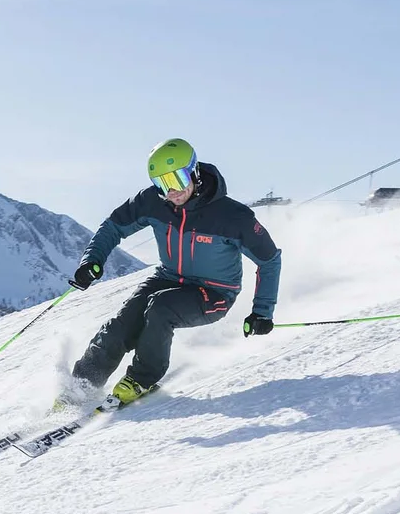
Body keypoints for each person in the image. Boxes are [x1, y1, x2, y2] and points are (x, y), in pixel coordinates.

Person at [64, 138, 282, 407]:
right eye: (162, 184)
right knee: (121, 325)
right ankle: (81, 385)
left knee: (160, 309)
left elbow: (270, 260)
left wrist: (262, 312)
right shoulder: (153, 203)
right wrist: (91, 261)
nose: (172, 191)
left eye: (177, 180)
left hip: (214, 292)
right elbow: (113, 227)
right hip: (168, 278)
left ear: (194, 172)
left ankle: (142, 379)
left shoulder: (233, 217)